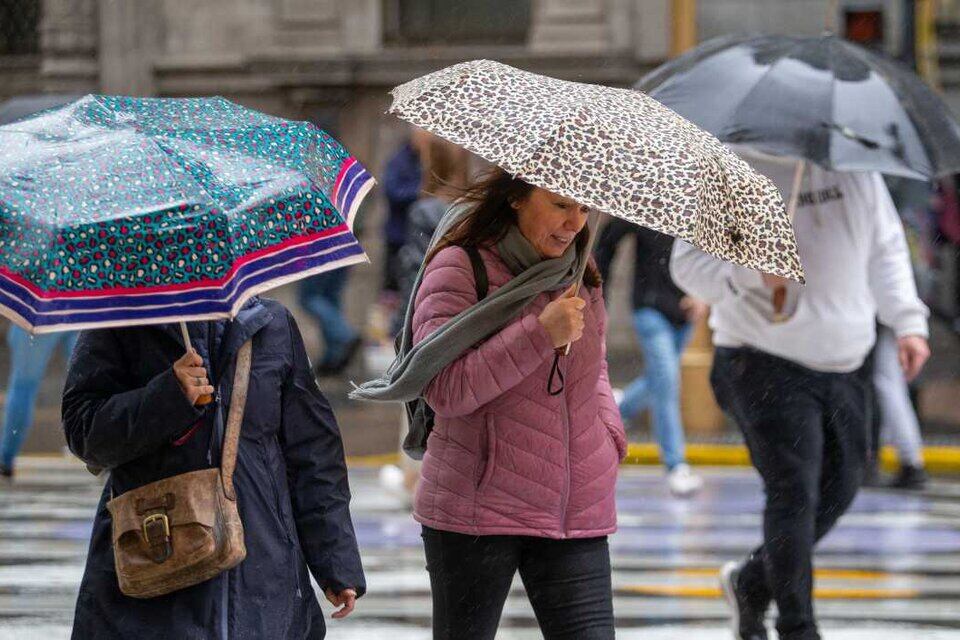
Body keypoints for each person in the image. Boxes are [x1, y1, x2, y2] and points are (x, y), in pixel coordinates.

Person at [354, 168, 627, 640]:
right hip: (477, 509)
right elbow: (447, 389)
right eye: (560, 204)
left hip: (573, 507)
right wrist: (540, 333)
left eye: (584, 208)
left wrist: (607, 435)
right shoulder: (460, 267)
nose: (574, 223)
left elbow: (594, 364)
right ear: (518, 197)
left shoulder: (580, 269)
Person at [671, 149, 931, 640]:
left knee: (844, 486)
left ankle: (752, 582)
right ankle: (798, 627)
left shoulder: (857, 168)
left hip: (847, 359)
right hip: (762, 356)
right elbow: (688, 269)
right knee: (793, 491)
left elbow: (886, 251)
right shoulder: (732, 168)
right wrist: (752, 269)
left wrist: (909, 322)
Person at [61, 297, 365, 639]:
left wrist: (335, 561)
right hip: (153, 576)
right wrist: (168, 396)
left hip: (263, 576)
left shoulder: (272, 324)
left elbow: (311, 452)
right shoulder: (120, 320)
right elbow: (83, 432)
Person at [380, 133, 469, 502]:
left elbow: (415, 275)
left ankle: (415, 480)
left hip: (423, 322)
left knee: (414, 402)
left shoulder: (424, 211)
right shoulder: (469, 211)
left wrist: (398, 327)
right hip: (460, 322)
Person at [595, 218, 707, 496]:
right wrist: (598, 299)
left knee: (659, 381)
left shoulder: (700, 210)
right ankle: (675, 465)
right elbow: (607, 244)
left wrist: (704, 295)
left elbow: (714, 260)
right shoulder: (650, 206)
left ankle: (618, 408)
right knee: (667, 382)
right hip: (650, 309)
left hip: (685, 315)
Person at [0, 325, 77, 479]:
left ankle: (5, 460)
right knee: (88, 381)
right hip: (81, 309)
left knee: (23, 386)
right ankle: (105, 453)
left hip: (41, 311)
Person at [873, 324, 928, 489]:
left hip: (889, 321)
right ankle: (910, 460)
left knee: (887, 385)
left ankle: (911, 461)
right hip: (894, 321)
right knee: (889, 384)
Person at [298, 268, 362, 376]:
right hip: (342, 253)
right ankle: (333, 357)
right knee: (331, 298)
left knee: (309, 298)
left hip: (315, 254)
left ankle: (345, 335)